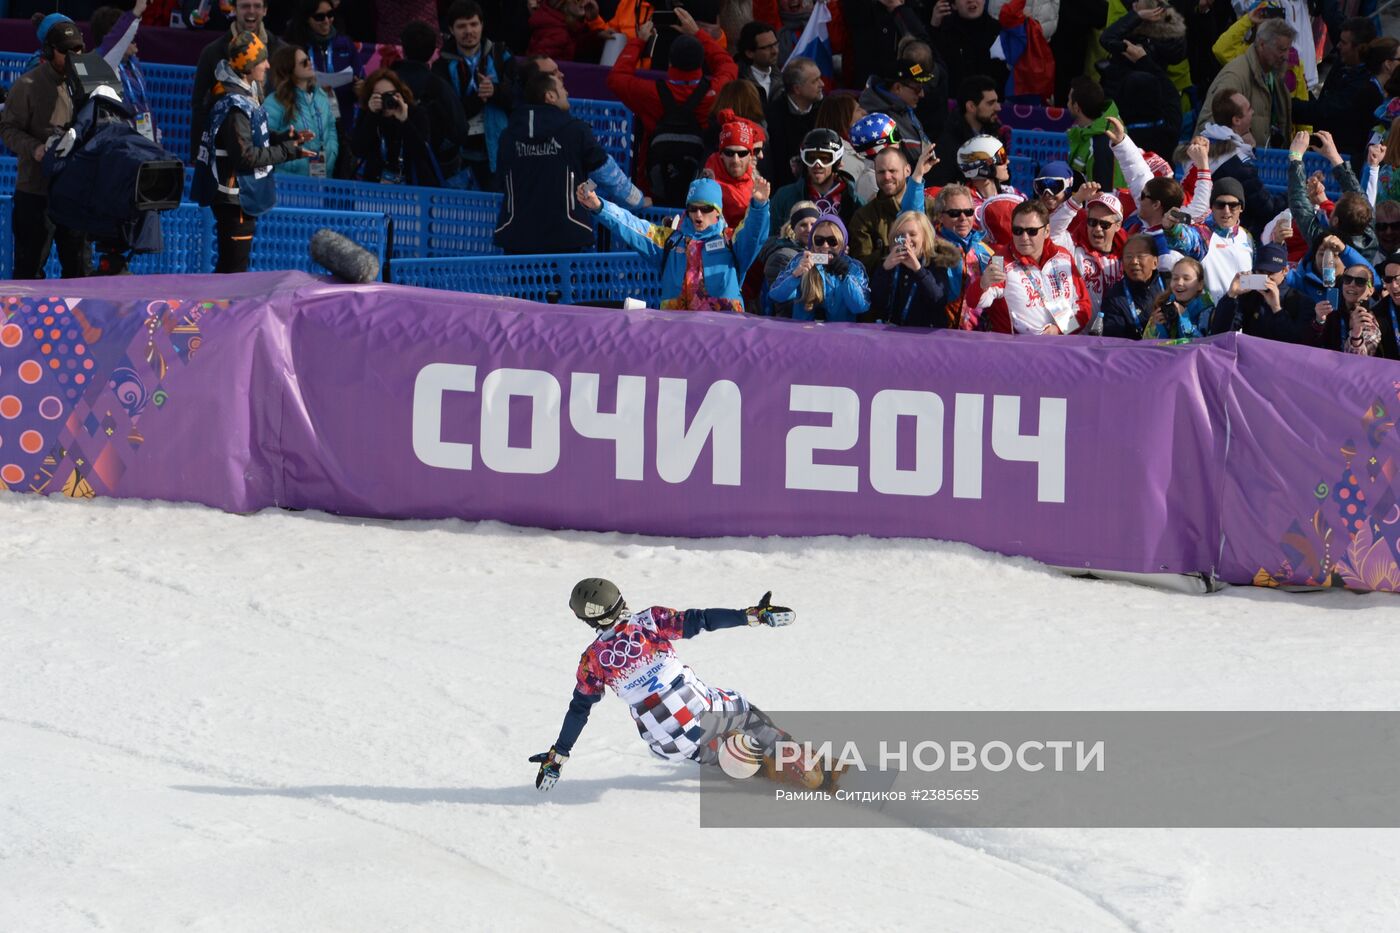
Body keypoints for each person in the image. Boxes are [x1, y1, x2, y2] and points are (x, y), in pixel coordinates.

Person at [530, 579, 809, 794]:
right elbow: (702, 620)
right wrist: (752, 615)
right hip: (698, 705)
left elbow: (579, 710)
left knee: (700, 747)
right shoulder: (648, 622)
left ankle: (746, 765)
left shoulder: (591, 661)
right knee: (743, 711)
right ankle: (791, 755)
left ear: (586, 618)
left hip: (663, 739)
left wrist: (558, 756)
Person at [192, 31, 314, 274]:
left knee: (232, 267)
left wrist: (283, 138)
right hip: (235, 198)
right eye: (262, 61)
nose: (268, 65)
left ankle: (220, 310)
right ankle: (219, 311)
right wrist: (286, 152)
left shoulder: (245, 93)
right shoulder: (234, 104)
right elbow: (245, 156)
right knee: (233, 270)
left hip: (239, 197)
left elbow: (250, 140)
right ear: (247, 67)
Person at [493, 69, 642, 254]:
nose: (567, 93)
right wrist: (637, 200)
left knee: (521, 283)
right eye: (562, 88)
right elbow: (606, 173)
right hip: (567, 237)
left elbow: (500, 182)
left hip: (515, 238)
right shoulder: (576, 131)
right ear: (550, 96)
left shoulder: (508, 136)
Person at [581, 175, 771, 312]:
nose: (698, 214)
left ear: (718, 212)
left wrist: (759, 207)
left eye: (705, 209)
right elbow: (632, 226)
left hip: (723, 336)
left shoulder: (731, 241)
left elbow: (753, 235)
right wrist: (600, 207)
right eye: (692, 208)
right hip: (677, 338)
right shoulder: (670, 241)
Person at [608, 14, 737, 196]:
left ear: (670, 62)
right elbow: (727, 64)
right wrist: (698, 33)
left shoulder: (649, 93)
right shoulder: (717, 90)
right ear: (701, 62)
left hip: (653, 191)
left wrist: (640, 41)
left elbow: (616, 78)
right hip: (700, 191)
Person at [0, 17, 90, 279]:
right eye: (66, 50)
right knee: (30, 270)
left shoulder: (90, 81)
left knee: (80, 271)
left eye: (78, 49)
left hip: (75, 190)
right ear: (50, 52)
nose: (74, 56)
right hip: (36, 190)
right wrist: (36, 148)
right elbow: (7, 129)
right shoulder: (27, 85)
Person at [968, 200, 1092, 335]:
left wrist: (1059, 330)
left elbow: (1083, 306)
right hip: (1019, 349)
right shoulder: (1000, 260)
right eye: (1018, 231)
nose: (1024, 237)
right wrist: (982, 284)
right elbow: (976, 302)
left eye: (1032, 231)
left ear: (1046, 231)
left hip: (1061, 346)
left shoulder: (1063, 256)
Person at [435, 0, 516, 191]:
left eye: (473, 24)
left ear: (482, 25)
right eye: (461, 26)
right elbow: (446, 112)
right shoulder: (441, 66)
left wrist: (495, 91)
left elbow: (519, 96)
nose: (468, 31)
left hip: (499, 149)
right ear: (451, 30)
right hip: (460, 154)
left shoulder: (501, 55)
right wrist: (479, 97)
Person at [191, 0, 286, 159]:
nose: (251, 11)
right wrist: (197, 155)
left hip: (271, 150)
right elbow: (199, 106)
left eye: (257, 6)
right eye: (245, 6)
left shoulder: (281, 51)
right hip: (226, 150)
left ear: (265, 10)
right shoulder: (211, 52)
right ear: (234, 9)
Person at [1097, 0, 1186, 161]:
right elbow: (1106, 39)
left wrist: (1167, 20)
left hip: (1151, 107)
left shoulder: (1161, 38)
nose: (1134, 4)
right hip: (1123, 103)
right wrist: (1136, 17)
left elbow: (1178, 52)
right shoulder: (1127, 32)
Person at [283, 0, 362, 178]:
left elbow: (360, 79)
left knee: (342, 181)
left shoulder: (346, 44)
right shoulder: (294, 47)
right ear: (306, 19)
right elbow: (283, 86)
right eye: (319, 17)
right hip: (306, 130)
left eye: (330, 15)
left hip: (342, 127)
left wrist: (360, 88)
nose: (326, 21)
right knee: (309, 185)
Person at [1294, 33, 1397, 166]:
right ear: (1388, 64)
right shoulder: (1365, 92)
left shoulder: (1378, 91)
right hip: (1349, 163)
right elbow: (1329, 112)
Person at [1196, 90, 1286, 240]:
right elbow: (1267, 209)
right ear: (1237, 120)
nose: (1253, 112)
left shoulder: (1202, 143)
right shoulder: (1237, 164)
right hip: (1232, 237)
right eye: (1249, 109)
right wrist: (1297, 192)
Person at [393, 20, 473, 188]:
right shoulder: (439, 86)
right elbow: (461, 131)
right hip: (429, 177)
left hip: (388, 173)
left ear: (403, 48)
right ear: (433, 52)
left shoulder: (385, 82)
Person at [1195, 17, 1296, 149]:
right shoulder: (1234, 76)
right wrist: (1239, 139)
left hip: (1260, 163)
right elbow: (1207, 125)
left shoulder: (1273, 74)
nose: (1286, 56)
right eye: (1281, 49)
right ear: (1261, 45)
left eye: (1288, 49)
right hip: (1232, 165)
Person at [1288, 131, 1381, 265]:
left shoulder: (1324, 243)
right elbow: (1357, 192)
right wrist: (1333, 155)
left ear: (1335, 221)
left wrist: (1295, 158)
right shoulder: (1369, 236)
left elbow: (1300, 206)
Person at [847, 143, 936, 270]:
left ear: (907, 170)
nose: (887, 177)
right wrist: (891, 251)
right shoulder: (863, 217)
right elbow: (860, 265)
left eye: (892, 171)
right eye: (881, 172)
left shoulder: (929, 207)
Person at [867, 210, 963, 327]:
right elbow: (875, 301)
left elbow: (938, 299)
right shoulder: (887, 262)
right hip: (892, 333)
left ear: (924, 237)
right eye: (900, 235)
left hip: (923, 335)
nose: (906, 240)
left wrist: (918, 270)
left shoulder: (936, 262)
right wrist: (885, 270)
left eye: (912, 234)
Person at [769, 213, 870, 322]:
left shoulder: (853, 267)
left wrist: (845, 277)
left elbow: (860, 307)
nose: (825, 246)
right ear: (812, 242)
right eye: (819, 240)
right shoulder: (801, 261)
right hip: (805, 334)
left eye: (832, 241)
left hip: (840, 335)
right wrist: (795, 275)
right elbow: (776, 295)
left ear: (842, 244)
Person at [1048, 187, 1126, 323]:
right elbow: (1050, 232)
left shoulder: (1128, 255)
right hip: (1079, 337)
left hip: (1114, 338)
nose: (1097, 228)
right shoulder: (1073, 247)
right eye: (1092, 222)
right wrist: (1076, 200)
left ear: (1118, 225)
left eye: (1105, 224)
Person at [350, 68, 436, 185]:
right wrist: (371, 116)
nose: (385, 100)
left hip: (412, 187)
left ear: (400, 93)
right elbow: (357, 149)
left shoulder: (416, 114)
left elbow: (422, 154)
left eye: (390, 95)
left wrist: (404, 121)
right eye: (378, 96)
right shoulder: (368, 114)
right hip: (377, 187)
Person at [1208, 242, 1306, 341]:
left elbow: (1297, 343)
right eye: (1261, 272)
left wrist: (1277, 309)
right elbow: (1220, 334)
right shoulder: (1249, 296)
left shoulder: (1299, 301)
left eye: (1271, 273)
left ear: (1285, 271)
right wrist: (1231, 295)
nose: (1266, 278)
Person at [263, 45, 337, 176]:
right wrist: (298, 161)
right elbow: (265, 141)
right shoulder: (275, 101)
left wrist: (332, 154)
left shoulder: (323, 94)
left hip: (323, 180)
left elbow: (331, 129)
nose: (310, 63)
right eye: (303, 62)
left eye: (308, 59)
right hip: (288, 184)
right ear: (289, 69)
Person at [92, 1, 158, 144]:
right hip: (118, 147)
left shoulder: (133, 65)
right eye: (131, 38)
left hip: (143, 144)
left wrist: (155, 139)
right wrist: (136, 12)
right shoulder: (102, 65)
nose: (134, 42)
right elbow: (115, 40)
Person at [770, 128, 860, 234]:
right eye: (811, 158)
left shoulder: (853, 199)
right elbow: (770, 239)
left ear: (837, 161)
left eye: (825, 158)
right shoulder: (784, 197)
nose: (817, 164)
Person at [932, 183, 994, 328]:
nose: (963, 218)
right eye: (954, 213)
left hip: (976, 334)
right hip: (939, 333)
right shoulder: (930, 247)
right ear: (941, 217)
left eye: (968, 212)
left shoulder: (985, 251)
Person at [857, 59, 932, 170]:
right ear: (897, 88)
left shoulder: (904, 109)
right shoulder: (877, 120)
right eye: (917, 88)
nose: (922, 94)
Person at [764, 57, 824, 189]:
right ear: (797, 89)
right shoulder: (772, 116)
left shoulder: (825, 109)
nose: (822, 84)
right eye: (815, 81)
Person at [929, 74, 999, 188]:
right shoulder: (948, 141)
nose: (998, 108)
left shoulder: (994, 133)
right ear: (971, 106)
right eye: (990, 103)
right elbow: (940, 185)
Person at [703, 110, 767, 229]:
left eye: (742, 153)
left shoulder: (754, 180)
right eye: (729, 153)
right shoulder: (708, 183)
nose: (736, 159)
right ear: (721, 153)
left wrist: (760, 206)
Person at [1100, 233, 1170, 339]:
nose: (1134, 261)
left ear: (1155, 262)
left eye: (1140, 256)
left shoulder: (1171, 283)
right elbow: (1114, 344)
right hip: (1138, 353)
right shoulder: (1114, 298)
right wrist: (1151, 328)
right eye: (1128, 256)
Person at [758, 200, 821, 316]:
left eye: (813, 224)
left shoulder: (821, 252)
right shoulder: (781, 256)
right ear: (793, 228)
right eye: (803, 225)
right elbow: (783, 303)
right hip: (791, 324)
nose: (809, 229)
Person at [929, 0, 1007, 91]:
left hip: (991, 99)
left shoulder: (1000, 31)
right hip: (953, 100)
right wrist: (933, 27)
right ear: (954, 5)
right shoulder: (943, 30)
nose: (971, 1)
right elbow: (928, 66)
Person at [1311, 264, 1382, 354]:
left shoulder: (1371, 318)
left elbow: (1360, 360)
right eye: (1347, 279)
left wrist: (1356, 336)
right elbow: (1308, 346)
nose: (1352, 284)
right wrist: (1319, 321)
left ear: (1370, 291)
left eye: (1360, 281)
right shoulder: (1329, 309)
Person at [1065, 76, 1119, 190]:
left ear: (1076, 107)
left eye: (1069, 99)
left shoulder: (1100, 145)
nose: (1067, 104)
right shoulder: (1091, 131)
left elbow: (1102, 194)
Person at [1362, 252, 1400, 360]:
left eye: (1398, 278)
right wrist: (1357, 340)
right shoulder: (1378, 312)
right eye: (1388, 280)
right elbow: (1365, 348)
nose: (1394, 285)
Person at [734, 22, 781, 103]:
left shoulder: (781, 79)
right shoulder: (736, 82)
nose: (775, 51)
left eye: (775, 44)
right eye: (767, 47)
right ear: (749, 53)